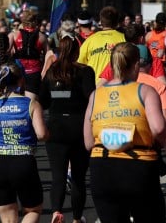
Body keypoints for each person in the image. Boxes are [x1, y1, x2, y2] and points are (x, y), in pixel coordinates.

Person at [83, 42, 166, 223]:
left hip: (102, 166)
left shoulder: (96, 95)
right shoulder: (145, 91)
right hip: (138, 164)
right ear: (136, 65)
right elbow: (159, 128)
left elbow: (88, 142)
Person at [0, 62, 47, 223]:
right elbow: (41, 134)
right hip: (23, 162)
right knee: (33, 210)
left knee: (8, 218)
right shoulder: (31, 104)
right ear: (21, 80)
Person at [38, 35, 95, 223]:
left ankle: (56, 212)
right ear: (77, 52)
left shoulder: (51, 72)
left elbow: (43, 101)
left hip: (56, 127)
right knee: (78, 177)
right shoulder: (85, 71)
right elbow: (91, 97)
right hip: (79, 127)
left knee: (58, 176)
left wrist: (60, 95)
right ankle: (77, 218)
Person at [76, 6, 125, 82]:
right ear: (116, 22)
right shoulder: (124, 39)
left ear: (101, 22)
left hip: (95, 87)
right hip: (118, 87)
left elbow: (80, 64)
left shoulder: (89, 40)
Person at [10, 11, 46, 99]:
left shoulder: (13, 35)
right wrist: (44, 71)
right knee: (31, 102)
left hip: (18, 70)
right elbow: (49, 55)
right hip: (34, 71)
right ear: (35, 22)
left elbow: (7, 53)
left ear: (23, 21)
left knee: (16, 100)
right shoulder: (42, 37)